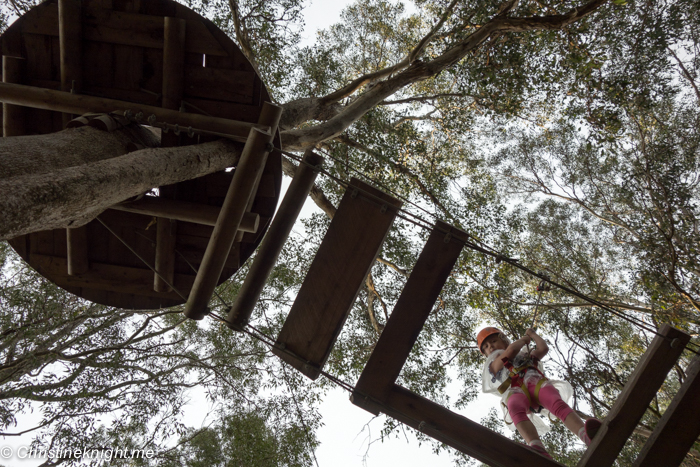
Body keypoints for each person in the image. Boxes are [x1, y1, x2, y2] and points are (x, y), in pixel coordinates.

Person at [477, 326, 601, 459]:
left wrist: (532, 334)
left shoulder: (524, 354)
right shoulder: (493, 365)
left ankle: (585, 434)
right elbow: (511, 350)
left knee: (556, 403)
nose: (490, 347)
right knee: (514, 407)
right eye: (486, 347)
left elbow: (543, 349)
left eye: (494, 341)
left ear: (504, 340)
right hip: (516, 390)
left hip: (536, 383)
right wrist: (524, 339)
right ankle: (536, 446)